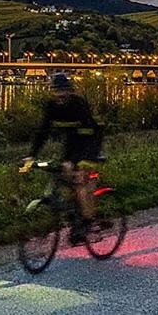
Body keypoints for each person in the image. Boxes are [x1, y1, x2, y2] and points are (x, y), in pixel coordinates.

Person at [20, 72, 103, 243]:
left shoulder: (78, 104)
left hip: (90, 141)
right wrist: (31, 156)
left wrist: (78, 161)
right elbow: (43, 131)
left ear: (70, 91)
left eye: (64, 91)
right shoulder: (52, 106)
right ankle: (75, 218)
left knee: (79, 178)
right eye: (57, 91)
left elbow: (89, 131)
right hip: (71, 143)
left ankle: (88, 222)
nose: (60, 95)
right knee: (64, 174)